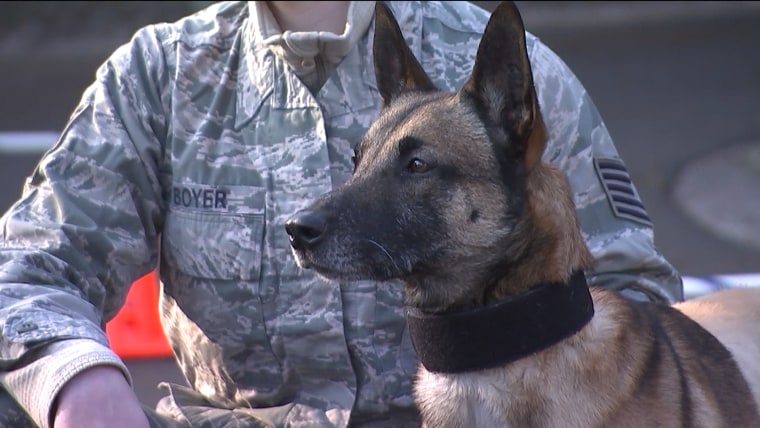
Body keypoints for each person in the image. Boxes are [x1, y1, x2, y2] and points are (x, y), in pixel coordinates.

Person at [0, 1, 683, 427]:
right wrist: (77, 383)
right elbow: (25, 273)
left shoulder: (504, 65)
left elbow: (632, 298)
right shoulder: (158, 76)